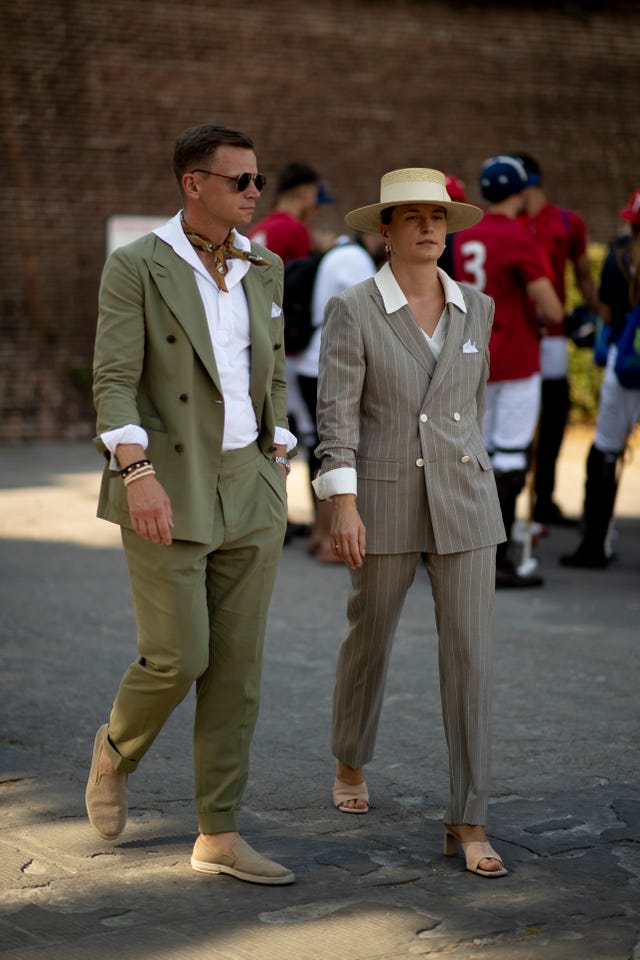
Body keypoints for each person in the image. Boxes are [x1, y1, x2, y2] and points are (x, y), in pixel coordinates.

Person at [86, 123, 296, 885]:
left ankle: (219, 832)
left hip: (253, 483)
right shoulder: (138, 264)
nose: (252, 193)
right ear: (193, 184)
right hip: (165, 480)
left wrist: (280, 450)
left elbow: (266, 370)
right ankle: (116, 750)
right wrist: (134, 469)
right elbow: (113, 376)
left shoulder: (264, 265)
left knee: (237, 670)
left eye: (257, 180)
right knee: (180, 656)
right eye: (239, 181)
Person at [314, 167, 508, 878]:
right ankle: (350, 756)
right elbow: (337, 413)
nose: (429, 227)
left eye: (439, 216)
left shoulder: (478, 307)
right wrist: (342, 502)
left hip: (466, 501)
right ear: (386, 230)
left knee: (471, 660)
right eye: (412, 217)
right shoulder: (354, 308)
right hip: (383, 498)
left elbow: (472, 408)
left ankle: (469, 817)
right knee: (370, 636)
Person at [452, 156, 564, 588]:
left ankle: (464, 549)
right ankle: (496, 560)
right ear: (520, 192)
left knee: (476, 455)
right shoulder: (517, 236)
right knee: (511, 456)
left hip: (475, 356)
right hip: (515, 358)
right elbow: (552, 306)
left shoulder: (466, 238)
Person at [514, 153, 599, 526]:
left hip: (552, 335)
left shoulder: (566, 222)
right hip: (515, 334)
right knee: (512, 421)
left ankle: (543, 497)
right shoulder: (505, 222)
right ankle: (508, 500)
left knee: (552, 417)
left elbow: (582, 275)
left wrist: (599, 315)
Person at [561, 188, 640, 568]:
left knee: (605, 452)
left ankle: (594, 544)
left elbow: (607, 316)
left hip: (625, 369)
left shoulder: (619, 259)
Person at [297, 231, 385, 561]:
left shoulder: (338, 251)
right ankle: (327, 539)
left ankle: (321, 536)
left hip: (313, 360)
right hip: (328, 361)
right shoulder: (356, 259)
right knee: (335, 451)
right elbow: (369, 316)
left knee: (322, 450)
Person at [249, 162, 335, 490]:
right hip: (284, 341)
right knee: (296, 432)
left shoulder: (262, 226)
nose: (316, 208)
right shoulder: (293, 230)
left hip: (257, 335)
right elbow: (300, 291)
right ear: (304, 192)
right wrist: (321, 256)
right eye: (315, 197)